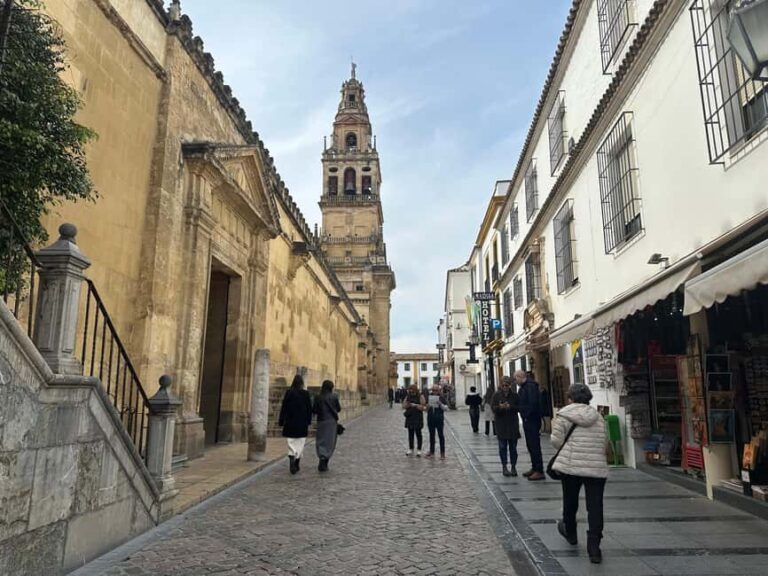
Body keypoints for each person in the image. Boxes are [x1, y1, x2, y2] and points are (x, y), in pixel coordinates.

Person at [551, 383, 608, 564]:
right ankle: (594, 548)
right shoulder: (598, 417)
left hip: (571, 466)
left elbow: (556, 441)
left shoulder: (564, 415)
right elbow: (604, 442)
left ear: (570, 397)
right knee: (595, 506)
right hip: (596, 466)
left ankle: (571, 533)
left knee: (570, 501)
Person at [277, 374, 312, 475]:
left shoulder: (289, 393)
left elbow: (284, 407)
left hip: (290, 422)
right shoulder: (305, 394)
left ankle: (292, 457)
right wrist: (309, 421)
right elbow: (309, 408)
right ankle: (297, 461)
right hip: (302, 422)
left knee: (291, 442)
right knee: (300, 443)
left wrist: (281, 420)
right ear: (302, 383)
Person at [516, 370, 545, 481]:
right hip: (528, 419)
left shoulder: (530, 387)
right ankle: (534, 467)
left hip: (532, 419)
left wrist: (527, 415)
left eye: (516, 378)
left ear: (520, 377)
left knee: (534, 444)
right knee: (530, 445)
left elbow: (532, 403)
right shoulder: (524, 387)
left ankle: (539, 470)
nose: (515, 381)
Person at [492, 376, 521, 477]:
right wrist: (500, 407)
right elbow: (493, 408)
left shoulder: (515, 396)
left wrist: (511, 407)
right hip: (501, 426)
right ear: (501, 385)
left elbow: (519, 408)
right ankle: (504, 467)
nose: (505, 387)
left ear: (510, 385)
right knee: (502, 447)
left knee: (513, 448)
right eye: (503, 385)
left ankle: (513, 467)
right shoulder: (496, 396)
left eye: (507, 385)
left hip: (512, 425)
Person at [313, 379, 342, 472]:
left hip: (321, 421)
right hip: (331, 422)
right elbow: (338, 408)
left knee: (321, 440)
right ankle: (325, 462)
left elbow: (314, 410)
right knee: (330, 442)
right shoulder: (334, 396)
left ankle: (321, 458)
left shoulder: (318, 397)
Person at [425, 384, 448, 459]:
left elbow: (446, 408)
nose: (434, 392)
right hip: (431, 418)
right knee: (431, 436)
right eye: (433, 390)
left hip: (439, 419)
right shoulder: (429, 397)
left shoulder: (442, 397)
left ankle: (442, 453)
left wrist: (440, 404)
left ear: (439, 390)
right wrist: (427, 407)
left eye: (436, 390)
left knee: (441, 435)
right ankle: (432, 452)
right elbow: (425, 409)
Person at [402, 385, 426, 456]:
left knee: (418, 434)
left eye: (411, 390)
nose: (410, 391)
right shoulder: (408, 396)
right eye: (410, 390)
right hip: (410, 417)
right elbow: (403, 406)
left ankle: (419, 449)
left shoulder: (420, 396)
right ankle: (411, 448)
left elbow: (423, 407)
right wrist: (408, 405)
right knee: (410, 434)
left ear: (415, 390)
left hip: (418, 417)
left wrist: (415, 405)